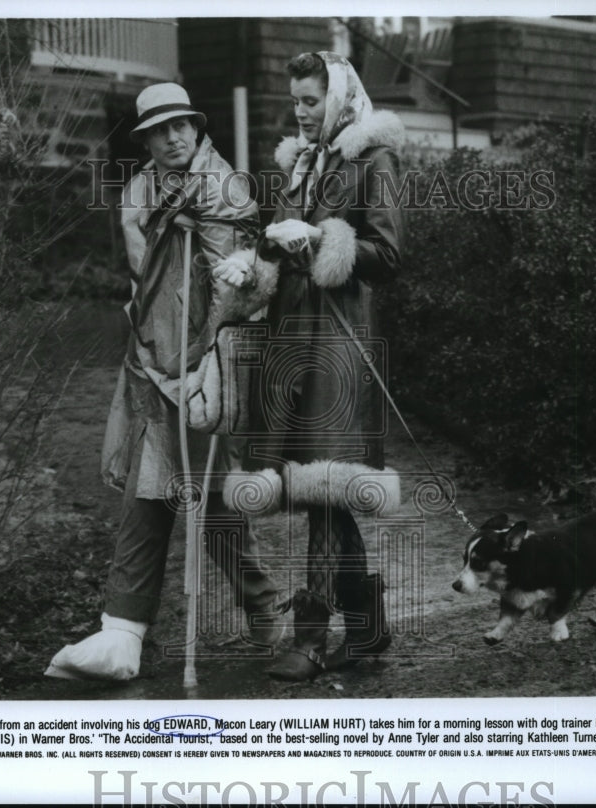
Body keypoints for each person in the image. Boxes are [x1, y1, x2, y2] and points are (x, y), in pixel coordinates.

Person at [46, 83, 283, 681]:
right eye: (161, 129)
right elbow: (141, 283)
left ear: (198, 128)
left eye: (183, 125)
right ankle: (124, 631)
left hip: (211, 360)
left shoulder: (227, 189)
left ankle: (258, 610)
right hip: (154, 361)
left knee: (203, 496)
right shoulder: (137, 194)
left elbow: (246, 289)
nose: (175, 137)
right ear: (146, 139)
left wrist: (226, 294)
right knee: (156, 495)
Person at [214, 52, 405, 682]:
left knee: (324, 486)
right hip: (292, 336)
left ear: (342, 99)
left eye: (310, 101)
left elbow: (387, 252)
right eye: (294, 100)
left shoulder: (376, 159)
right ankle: (368, 626)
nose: (299, 112)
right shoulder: (301, 162)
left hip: (342, 341)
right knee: (314, 485)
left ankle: (313, 638)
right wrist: (256, 260)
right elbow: (279, 240)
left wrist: (323, 238)